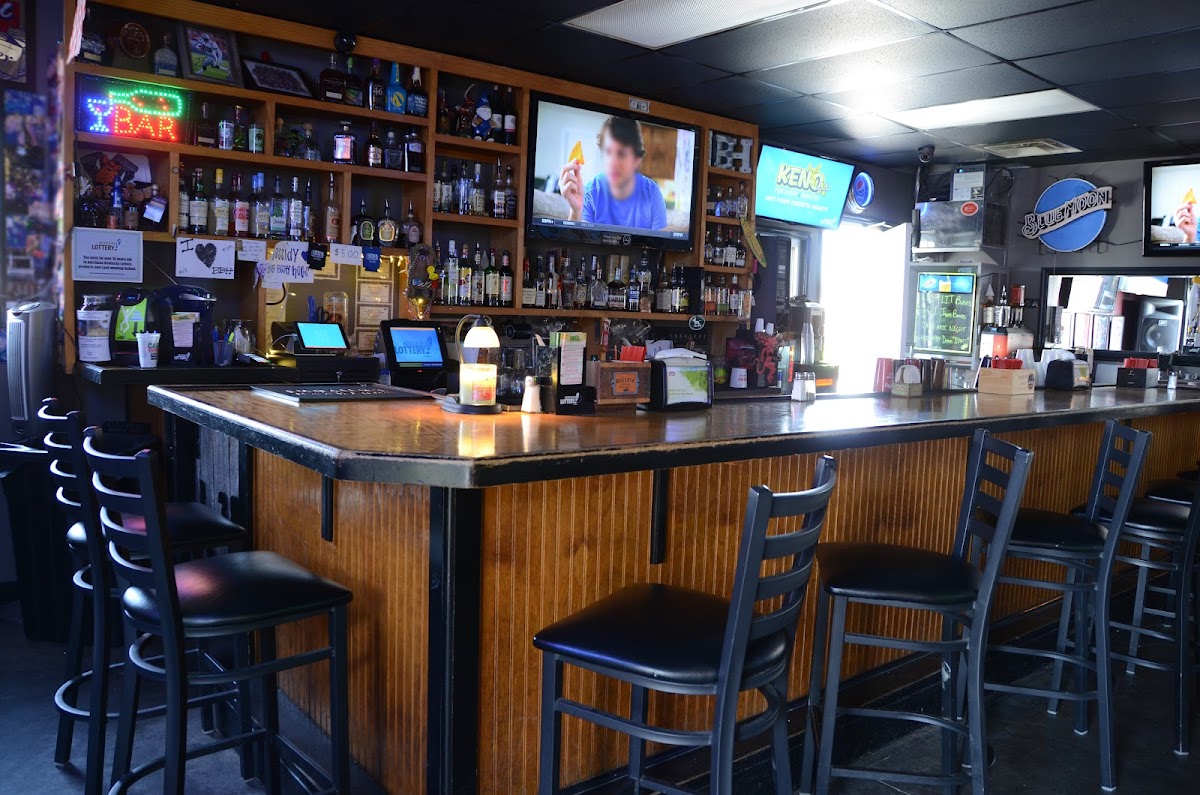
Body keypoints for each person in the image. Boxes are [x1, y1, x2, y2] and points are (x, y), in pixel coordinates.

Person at [559, 116, 667, 231]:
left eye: (621, 153)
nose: (612, 163)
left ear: (636, 160)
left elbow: (658, 240)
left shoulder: (652, 193)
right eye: (608, 152)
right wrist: (575, 211)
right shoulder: (591, 192)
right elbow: (580, 239)